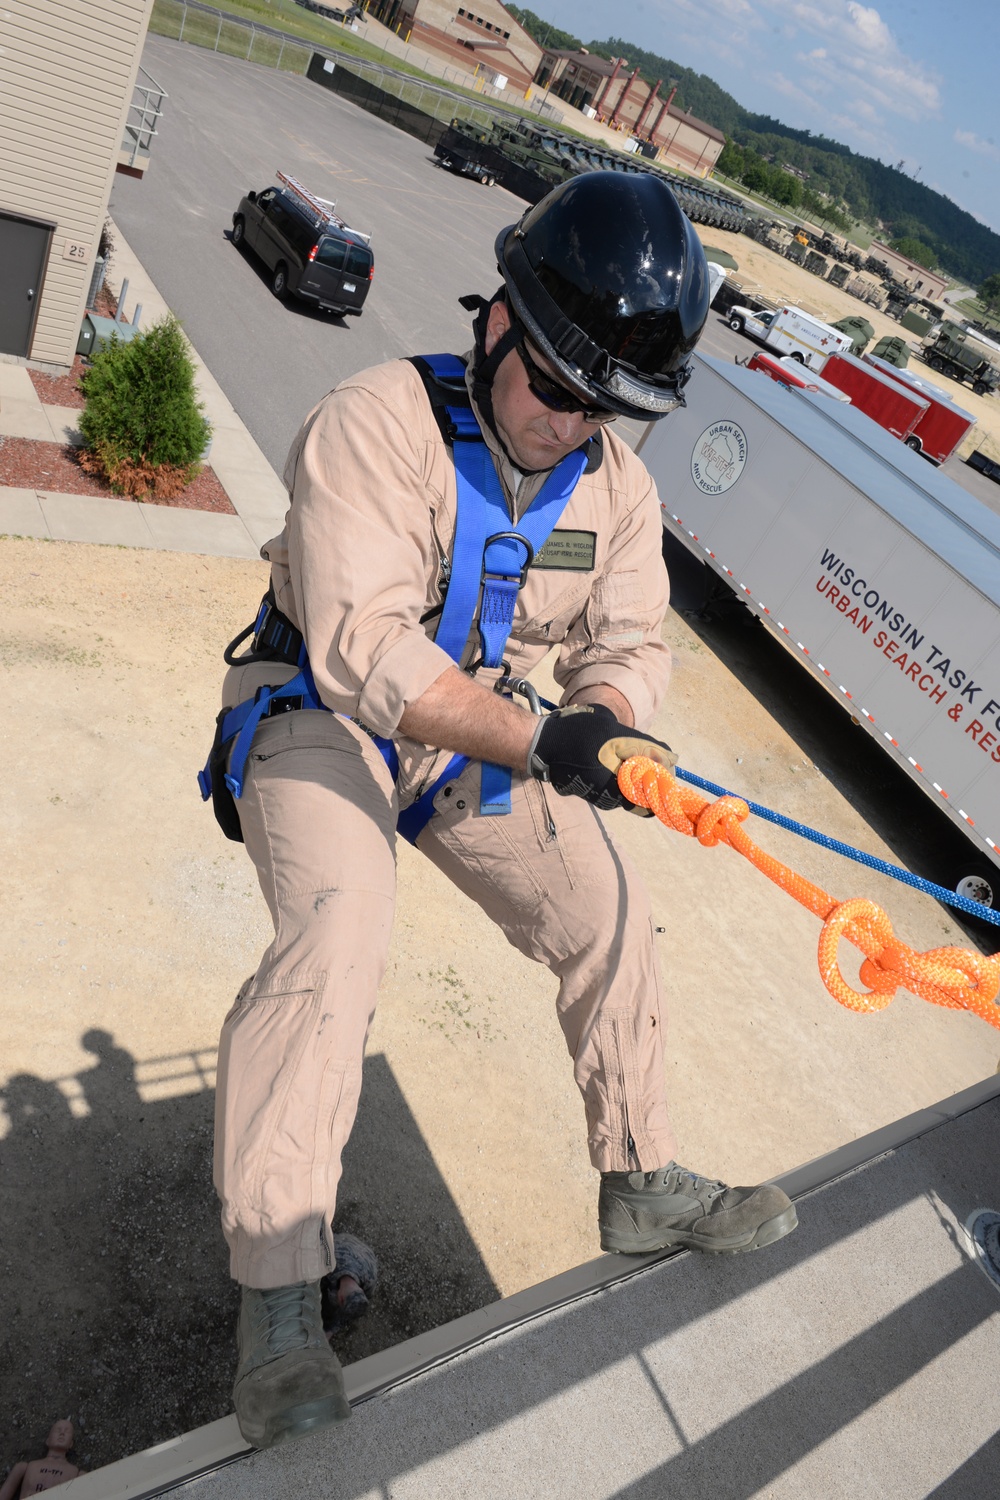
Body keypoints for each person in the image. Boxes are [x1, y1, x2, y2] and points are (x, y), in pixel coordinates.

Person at [205, 171, 798, 1451]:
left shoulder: (610, 485)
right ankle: (275, 1295)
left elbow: (632, 636)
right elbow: (363, 645)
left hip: (476, 730)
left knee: (611, 903)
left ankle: (638, 1174)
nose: (568, 421)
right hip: (321, 706)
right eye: (554, 384)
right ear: (496, 322)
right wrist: (545, 734)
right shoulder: (375, 421)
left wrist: (619, 731)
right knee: (340, 926)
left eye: (604, 407)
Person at [0, 1419, 81, 1496]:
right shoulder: (25, 1467)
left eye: (67, 1431)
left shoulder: (78, 1475)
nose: (62, 1433)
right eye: (58, 1430)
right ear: (48, 1440)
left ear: (71, 1444)